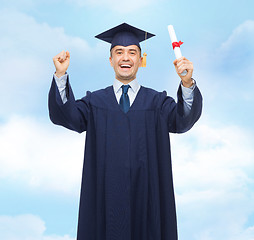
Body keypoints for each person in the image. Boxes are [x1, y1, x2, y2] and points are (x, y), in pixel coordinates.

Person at [48, 23, 202, 240]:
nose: (125, 57)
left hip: (147, 202)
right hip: (106, 202)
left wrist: (187, 83)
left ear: (141, 59)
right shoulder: (95, 102)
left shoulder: (157, 103)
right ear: (110, 60)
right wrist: (60, 76)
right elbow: (67, 115)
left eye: (132, 52)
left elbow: (183, 119)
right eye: (118, 52)